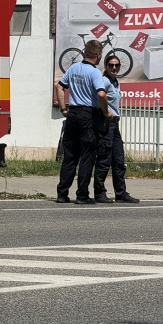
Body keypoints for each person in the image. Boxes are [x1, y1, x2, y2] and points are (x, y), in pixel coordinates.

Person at [54, 40, 112, 204]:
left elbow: (59, 86)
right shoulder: (94, 73)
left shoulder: (74, 68)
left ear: (85, 52)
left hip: (73, 114)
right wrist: (105, 111)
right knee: (87, 156)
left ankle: (62, 193)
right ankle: (82, 195)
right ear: (99, 55)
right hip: (88, 115)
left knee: (70, 156)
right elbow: (101, 94)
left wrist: (64, 109)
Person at [93, 55, 140, 203]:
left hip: (115, 124)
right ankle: (99, 193)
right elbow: (98, 96)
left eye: (117, 65)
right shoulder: (105, 81)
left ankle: (121, 193)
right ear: (106, 66)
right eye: (111, 65)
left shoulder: (114, 82)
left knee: (119, 160)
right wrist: (105, 112)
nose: (114, 68)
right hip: (106, 123)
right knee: (104, 159)